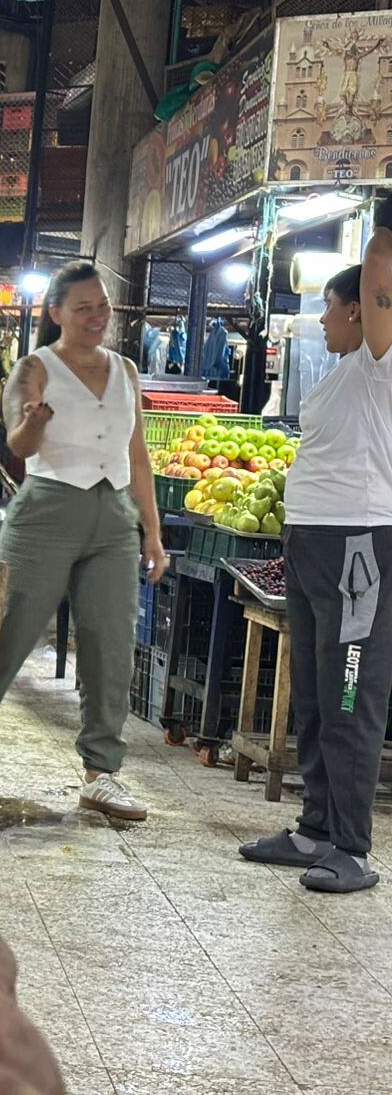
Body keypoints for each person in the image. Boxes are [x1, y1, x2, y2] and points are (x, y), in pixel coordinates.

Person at [0, 261, 168, 821]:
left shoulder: (125, 369)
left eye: (102, 306)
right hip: (46, 512)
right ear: (56, 314)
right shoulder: (35, 367)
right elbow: (19, 446)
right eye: (83, 308)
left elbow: (137, 456)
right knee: (8, 631)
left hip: (114, 517)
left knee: (110, 641)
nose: (97, 317)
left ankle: (102, 773)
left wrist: (153, 532)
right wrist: (34, 420)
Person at [239, 206, 392, 894]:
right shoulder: (339, 374)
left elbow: (383, 275)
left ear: (360, 312)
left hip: (360, 547)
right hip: (311, 546)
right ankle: (315, 830)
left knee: (350, 695)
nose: (323, 322)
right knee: (311, 694)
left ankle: (353, 849)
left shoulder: (379, 365)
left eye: (330, 310)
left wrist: (383, 226)